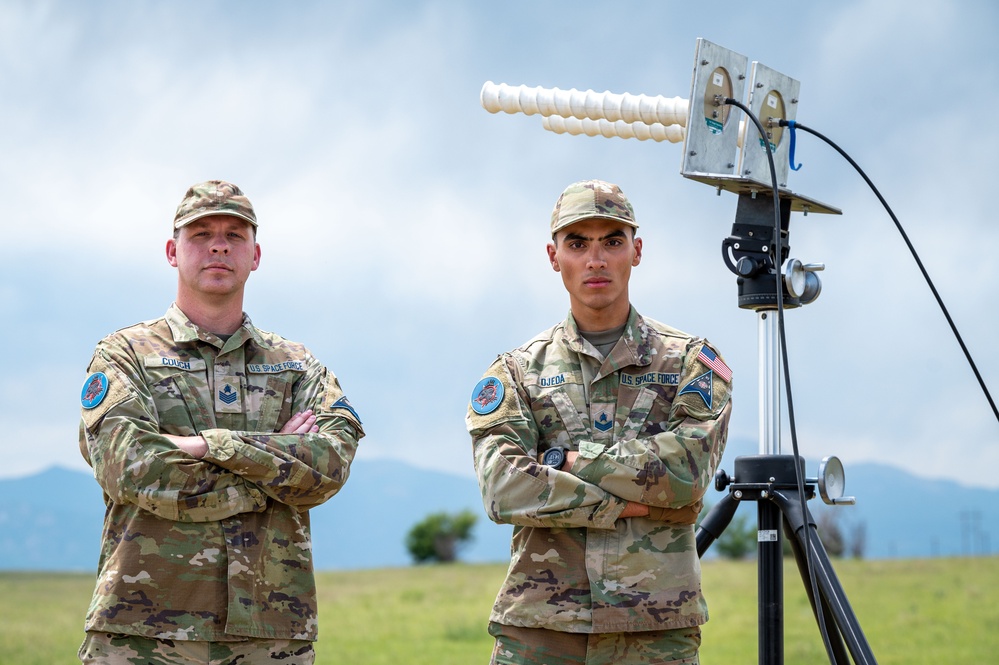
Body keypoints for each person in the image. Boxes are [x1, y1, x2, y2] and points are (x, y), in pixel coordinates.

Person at [77, 180, 364, 664]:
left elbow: (331, 465)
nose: (218, 244)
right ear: (173, 251)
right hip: (142, 633)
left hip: (271, 636)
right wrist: (270, 473)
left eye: (234, 234)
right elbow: (131, 466)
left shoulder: (297, 365)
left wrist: (204, 446)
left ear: (255, 255)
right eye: (200, 233)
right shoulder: (124, 354)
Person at [466, 179, 733, 665]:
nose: (596, 259)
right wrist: (623, 503)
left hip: (654, 626)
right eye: (577, 243)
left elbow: (688, 474)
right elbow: (504, 488)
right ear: (554, 256)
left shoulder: (690, 361)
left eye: (612, 241)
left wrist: (564, 462)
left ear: (637, 251)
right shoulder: (517, 371)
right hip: (543, 627)